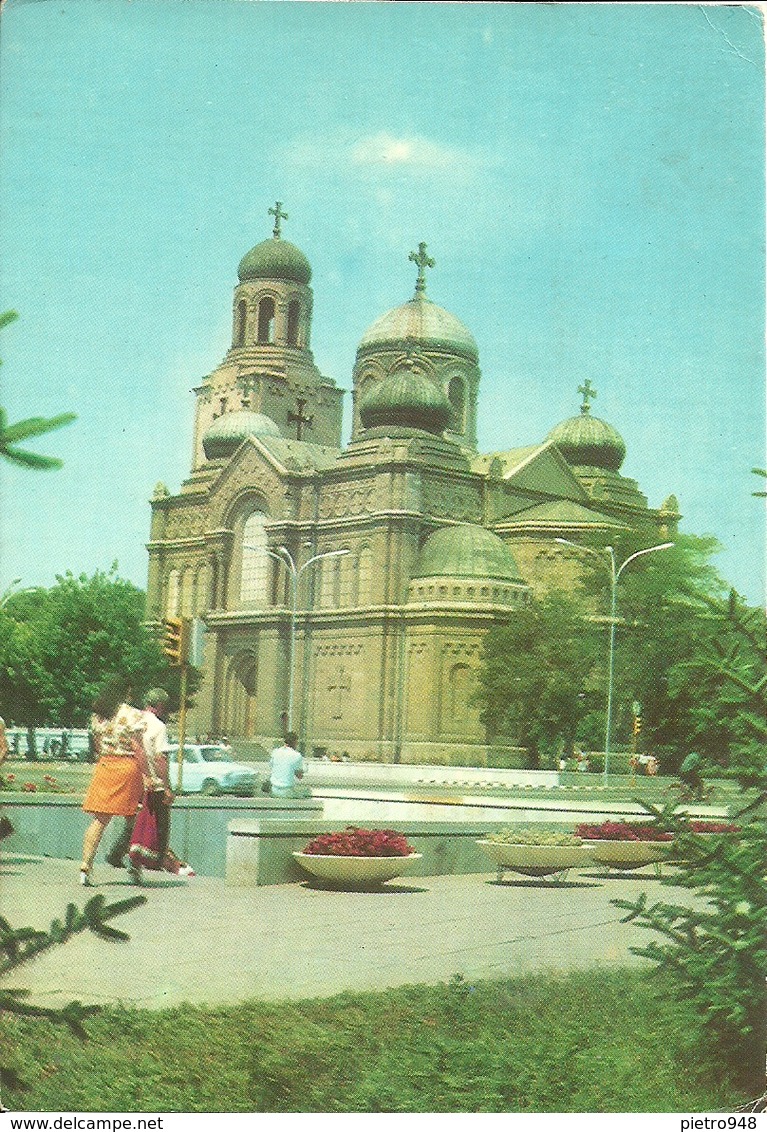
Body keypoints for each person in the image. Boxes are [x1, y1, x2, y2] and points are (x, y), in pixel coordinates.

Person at [80, 678, 148, 887]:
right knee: (133, 819)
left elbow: (98, 746)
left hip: (105, 767)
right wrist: (147, 774)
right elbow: (138, 748)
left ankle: (85, 867)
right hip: (128, 768)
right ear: (125, 692)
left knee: (99, 820)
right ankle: (134, 868)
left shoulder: (99, 716)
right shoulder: (132, 715)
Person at [269, 732, 307, 797]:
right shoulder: (296, 755)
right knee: (305, 794)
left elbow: (271, 766)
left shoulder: (275, 752)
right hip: (286, 791)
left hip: (273, 790)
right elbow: (299, 776)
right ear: (295, 742)